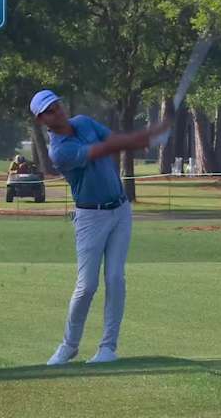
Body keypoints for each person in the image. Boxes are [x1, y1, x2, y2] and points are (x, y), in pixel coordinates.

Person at [31, 89, 170, 366]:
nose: (56, 111)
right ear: (41, 120)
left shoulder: (84, 122)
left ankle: (108, 348)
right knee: (87, 286)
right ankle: (69, 346)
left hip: (120, 209)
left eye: (57, 105)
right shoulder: (59, 150)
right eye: (49, 110)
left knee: (116, 279)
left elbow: (113, 140)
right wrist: (147, 133)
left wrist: (142, 139)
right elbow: (102, 150)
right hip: (90, 218)